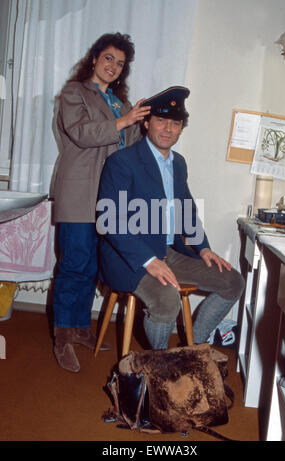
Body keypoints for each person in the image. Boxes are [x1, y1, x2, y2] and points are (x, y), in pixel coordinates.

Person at [96, 86, 245, 350]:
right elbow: (110, 221)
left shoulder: (178, 163)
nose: (167, 128)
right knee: (167, 299)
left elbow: (186, 208)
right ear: (146, 123)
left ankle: (191, 348)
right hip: (128, 257)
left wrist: (203, 247)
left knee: (232, 281)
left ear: (181, 129)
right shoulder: (122, 162)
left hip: (168, 251)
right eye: (161, 121)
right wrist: (148, 260)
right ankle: (161, 367)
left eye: (175, 123)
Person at [51, 32, 150, 372]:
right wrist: (124, 121)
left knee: (93, 267)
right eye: (109, 58)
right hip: (79, 193)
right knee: (74, 264)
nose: (113, 66)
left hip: (108, 199)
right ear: (94, 58)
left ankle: (80, 328)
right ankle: (62, 335)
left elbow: (129, 146)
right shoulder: (73, 93)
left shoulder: (121, 105)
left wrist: (145, 123)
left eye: (120, 63)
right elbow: (81, 132)